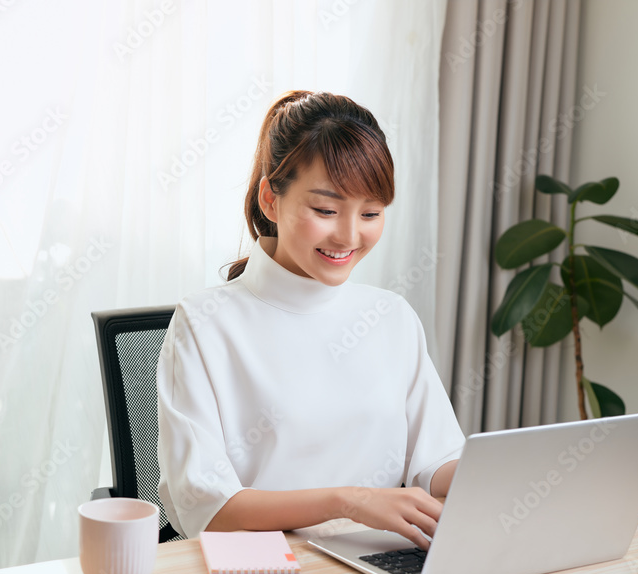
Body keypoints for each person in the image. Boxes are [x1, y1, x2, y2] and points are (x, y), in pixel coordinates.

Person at [156, 90, 464, 550]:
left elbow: (435, 461)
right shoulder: (205, 323)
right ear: (270, 200)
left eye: (372, 213)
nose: (349, 235)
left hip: (380, 561)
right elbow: (209, 508)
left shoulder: (390, 317)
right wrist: (350, 501)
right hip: (260, 570)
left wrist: (505, 469)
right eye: (325, 210)